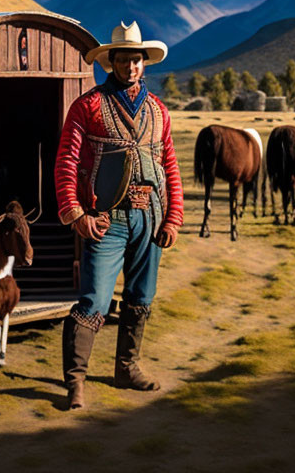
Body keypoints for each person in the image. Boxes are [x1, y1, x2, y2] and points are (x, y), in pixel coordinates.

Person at [55, 21, 184, 410]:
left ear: (145, 64)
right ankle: (75, 382)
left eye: (137, 60)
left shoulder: (159, 111)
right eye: (124, 59)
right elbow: (66, 161)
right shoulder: (87, 106)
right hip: (106, 220)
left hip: (151, 217)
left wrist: (174, 216)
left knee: (141, 296)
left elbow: (171, 166)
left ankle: (126, 368)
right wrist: (77, 214)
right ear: (111, 62)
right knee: (93, 300)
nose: (131, 66)